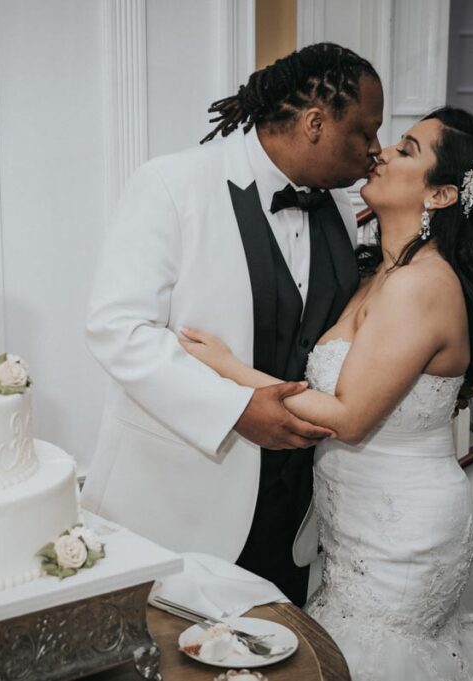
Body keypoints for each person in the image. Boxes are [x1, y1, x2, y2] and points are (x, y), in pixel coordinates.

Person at [180, 107, 473, 679]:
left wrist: (228, 369)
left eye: (407, 149)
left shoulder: (423, 284)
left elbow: (348, 418)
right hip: (353, 524)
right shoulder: (380, 275)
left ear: (441, 195)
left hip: (401, 533)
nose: (382, 152)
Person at [82, 43, 383, 604]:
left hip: (295, 516)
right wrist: (236, 408)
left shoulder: (339, 207)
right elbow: (116, 328)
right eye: (365, 132)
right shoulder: (172, 183)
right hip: (181, 505)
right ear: (315, 123)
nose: (375, 150)